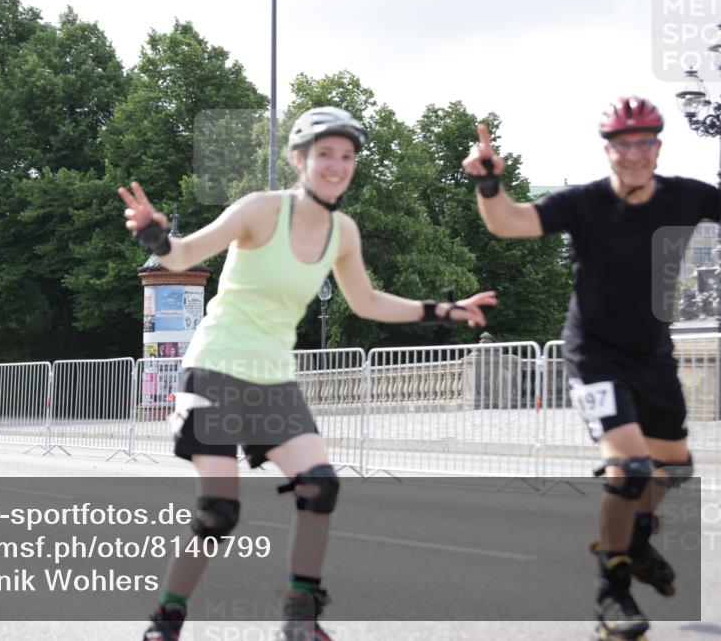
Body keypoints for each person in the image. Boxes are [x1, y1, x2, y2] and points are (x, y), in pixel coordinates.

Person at [119, 106, 497, 641]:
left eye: (347, 156)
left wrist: (443, 310)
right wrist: (157, 237)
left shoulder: (343, 232)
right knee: (219, 510)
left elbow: (366, 301)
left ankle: (299, 620)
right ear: (300, 160)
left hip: (272, 379)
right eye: (325, 154)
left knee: (319, 485)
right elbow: (183, 253)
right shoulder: (260, 210)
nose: (337, 165)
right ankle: (167, 619)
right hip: (216, 367)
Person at [462, 96, 720, 640]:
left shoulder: (687, 196)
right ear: (608, 151)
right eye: (622, 145)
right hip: (594, 354)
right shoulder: (584, 203)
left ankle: (635, 537)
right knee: (629, 470)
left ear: (657, 147)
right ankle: (612, 594)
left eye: (644, 142)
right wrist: (488, 183)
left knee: (674, 466)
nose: (634, 154)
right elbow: (509, 222)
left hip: (652, 353)